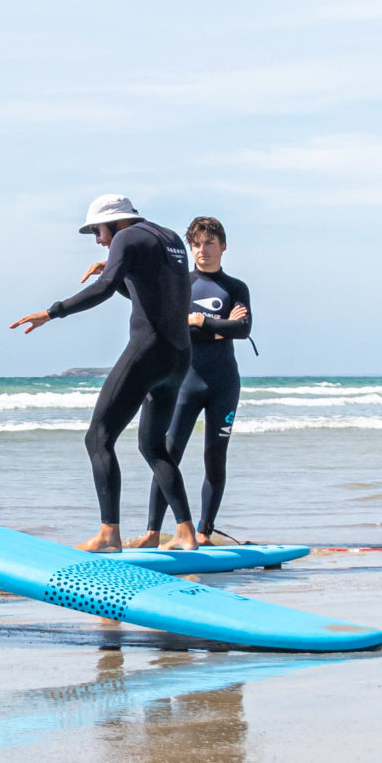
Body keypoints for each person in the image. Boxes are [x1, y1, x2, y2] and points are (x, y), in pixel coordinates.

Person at [8, 195, 200, 553]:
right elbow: (157, 295)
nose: (99, 240)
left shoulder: (128, 238)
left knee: (98, 438)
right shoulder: (171, 238)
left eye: (98, 230)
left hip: (149, 349)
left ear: (116, 221)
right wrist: (119, 270)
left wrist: (52, 312)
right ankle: (187, 532)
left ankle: (109, 534)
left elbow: (103, 289)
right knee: (153, 446)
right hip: (179, 356)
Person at [146, 216, 253, 544]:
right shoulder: (181, 284)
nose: (203, 250)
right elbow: (173, 329)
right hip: (184, 383)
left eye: (209, 243)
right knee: (167, 454)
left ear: (223, 246)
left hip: (224, 384)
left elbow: (244, 330)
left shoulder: (235, 288)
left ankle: (204, 532)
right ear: (190, 248)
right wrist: (219, 327)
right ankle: (153, 532)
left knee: (215, 458)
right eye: (197, 244)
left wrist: (200, 321)